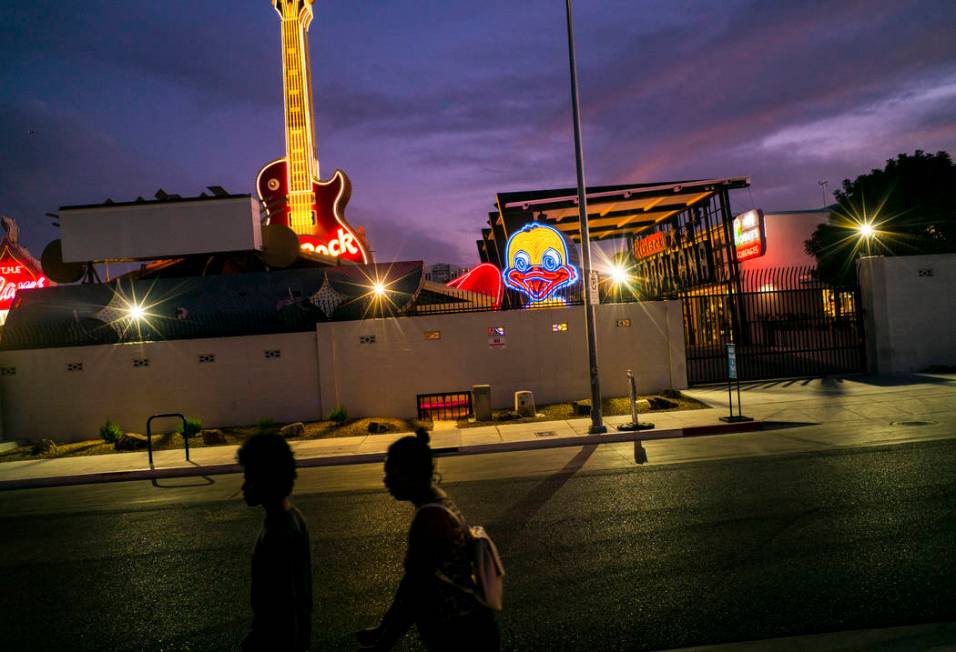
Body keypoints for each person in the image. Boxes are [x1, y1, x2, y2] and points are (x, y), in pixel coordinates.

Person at [357, 428, 500, 651]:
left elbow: (416, 591)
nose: (386, 481)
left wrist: (384, 642)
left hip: (460, 634)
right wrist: (383, 628)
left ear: (410, 474)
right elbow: (411, 583)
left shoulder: (429, 520)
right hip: (467, 626)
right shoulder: (437, 499)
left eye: (391, 473)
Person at [238, 433, 312, 651]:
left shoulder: (278, 535)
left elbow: (283, 607)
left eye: (249, 477)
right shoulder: (293, 518)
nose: (243, 487)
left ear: (265, 479)